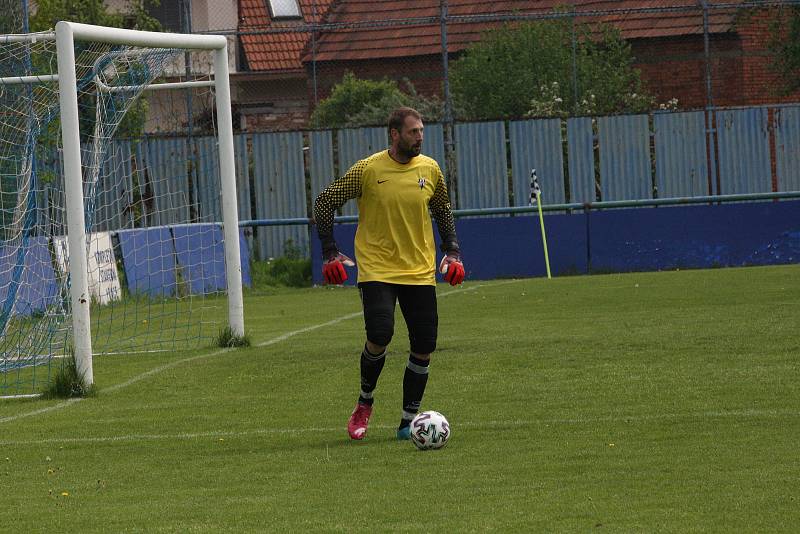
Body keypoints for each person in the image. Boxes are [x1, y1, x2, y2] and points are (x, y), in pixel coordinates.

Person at [313, 106, 465, 441]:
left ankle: (408, 421)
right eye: (413, 132)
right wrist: (328, 252)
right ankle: (364, 402)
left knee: (425, 344)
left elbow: (442, 208)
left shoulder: (430, 169)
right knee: (380, 334)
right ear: (395, 134)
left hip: (420, 270)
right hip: (377, 269)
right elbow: (324, 202)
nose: (420, 137)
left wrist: (451, 249)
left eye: (422, 131)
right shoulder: (368, 169)